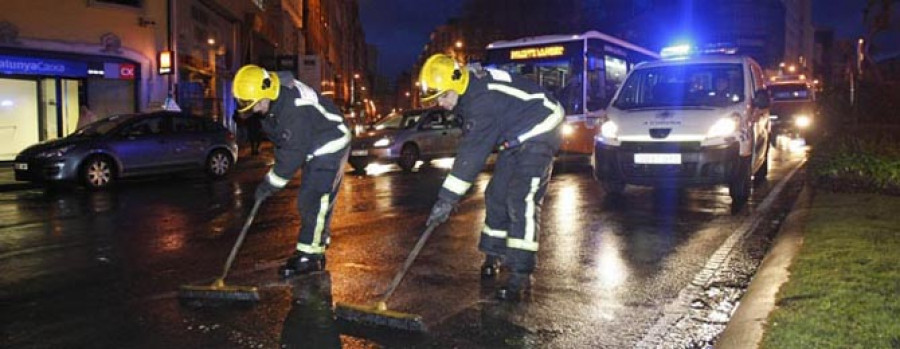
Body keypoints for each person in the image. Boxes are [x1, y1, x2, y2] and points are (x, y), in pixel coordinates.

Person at [419, 54, 564, 301]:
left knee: (521, 200)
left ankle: (520, 274)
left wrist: (446, 200)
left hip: (541, 128)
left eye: (442, 96)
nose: (440, 104)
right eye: (436, 99)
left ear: (456, 84)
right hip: (515, 137)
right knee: (496, 194)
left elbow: (471, 155)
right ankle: (493, 255)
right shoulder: (470, 92)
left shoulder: (481, 101)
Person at [232, 64, 351, 278]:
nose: (256, 109)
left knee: (314, 199)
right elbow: (283, 143)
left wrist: (269, 185)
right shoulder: (275, 99)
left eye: (257, 104)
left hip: (330, 142)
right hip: (312, 143)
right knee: (310, 198)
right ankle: (314, 245)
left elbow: (292, 154)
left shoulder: (293, 108)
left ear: (266, 93)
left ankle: (310, 257)